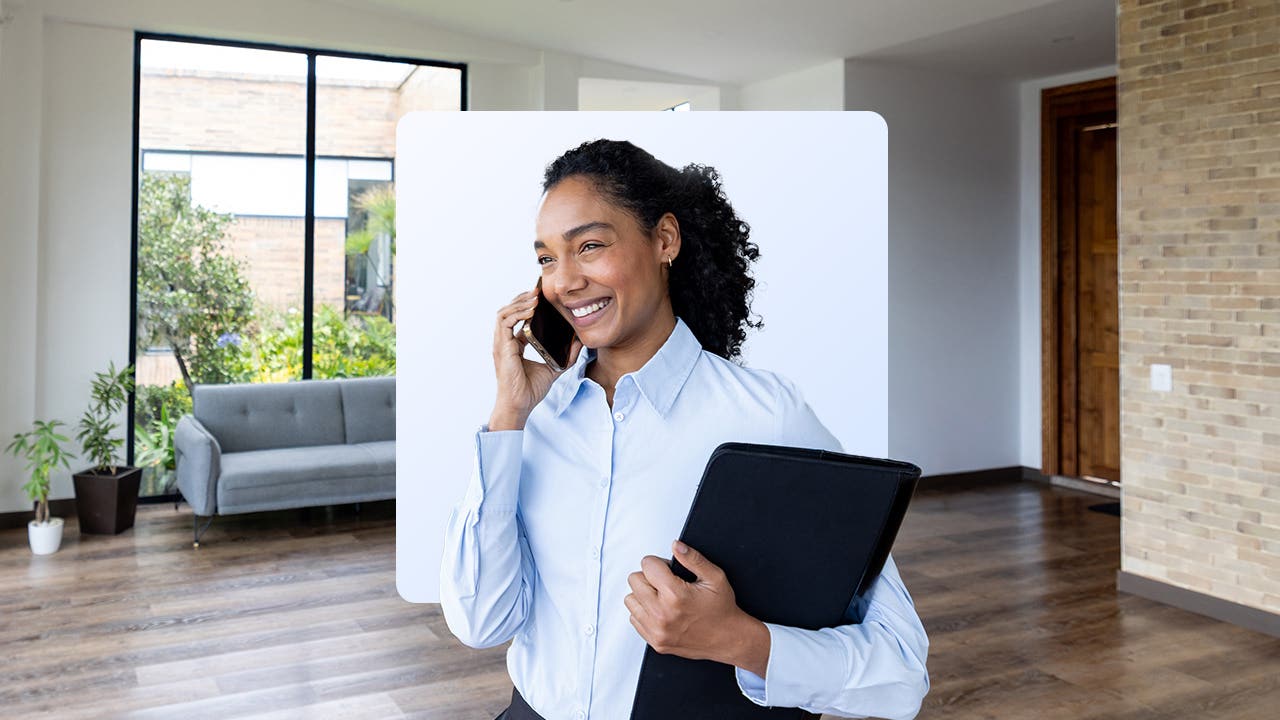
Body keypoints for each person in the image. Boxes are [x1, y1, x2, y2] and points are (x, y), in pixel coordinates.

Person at [439, 139, 929, 720]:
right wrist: (508, 417)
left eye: (589, 246)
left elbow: (900, 670)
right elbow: (481, 621)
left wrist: (737, 639)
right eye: (547, 258)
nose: (564, 282)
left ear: (664, 240)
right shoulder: (530, 419)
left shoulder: (767, 418)